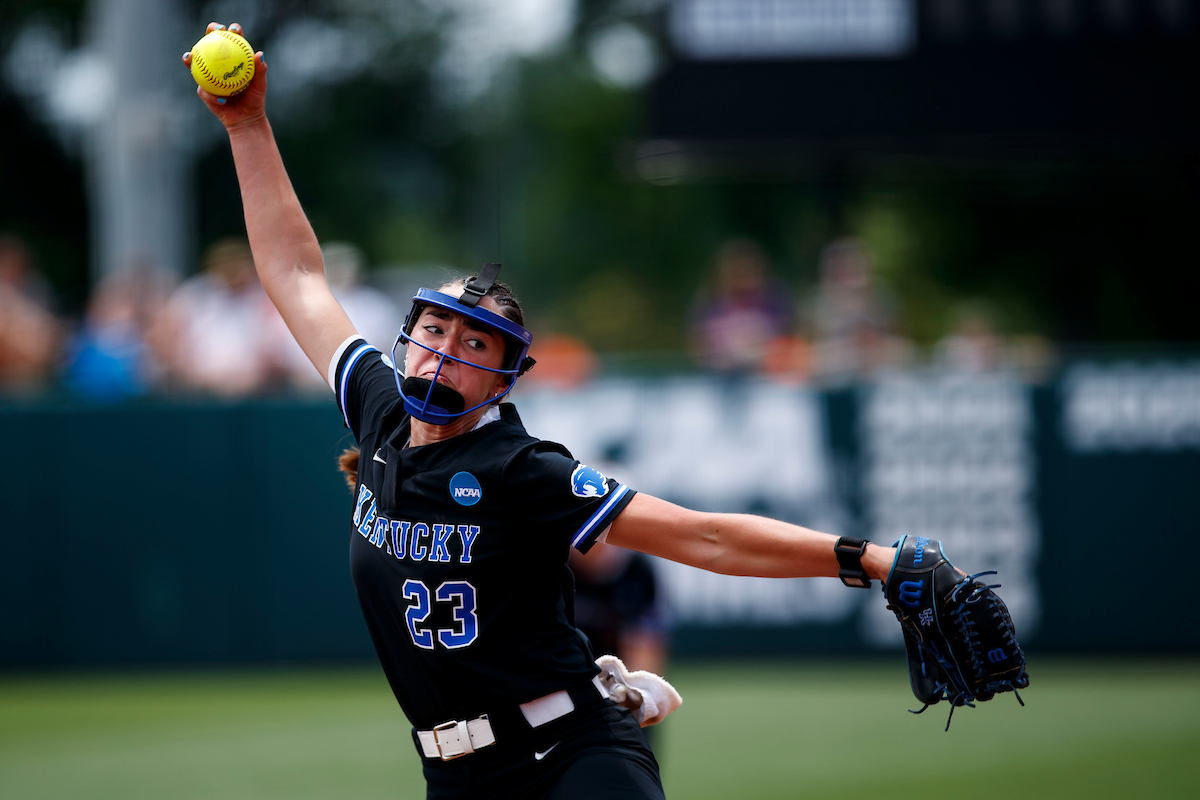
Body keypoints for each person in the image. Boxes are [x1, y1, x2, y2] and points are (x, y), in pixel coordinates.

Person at [184, 24, 908, 799]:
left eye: (475, 344)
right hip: (455, 776)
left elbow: (705, 536)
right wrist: (248, 125)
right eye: (434, 330)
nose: (444, 352)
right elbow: (294, 274)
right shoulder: (378, 412)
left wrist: (867, 558)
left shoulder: (520, 469)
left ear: (504, 379)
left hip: (570, 757)